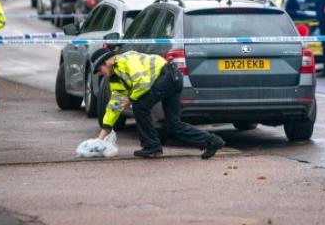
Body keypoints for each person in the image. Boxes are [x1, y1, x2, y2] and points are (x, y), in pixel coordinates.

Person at [91, 48, 225, 159]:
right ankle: (212, 141)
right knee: (173, 125)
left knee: (140, 105)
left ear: (108, 61)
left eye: (99, 69)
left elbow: (143, 83)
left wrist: (130, 100)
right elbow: (115, 104)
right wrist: (102, 135)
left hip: (167, 76)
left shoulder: (127, 61)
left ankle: (152, 146)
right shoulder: (115, 78)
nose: (100, 73)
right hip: (172, 78)